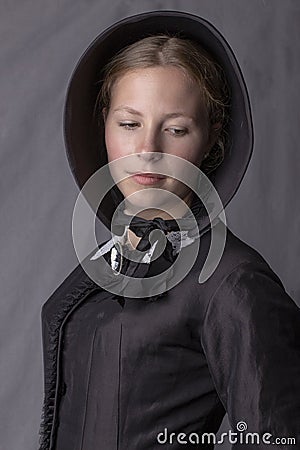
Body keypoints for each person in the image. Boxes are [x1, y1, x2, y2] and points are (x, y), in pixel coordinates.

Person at [38, 11, 300, 450]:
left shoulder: (233, 281)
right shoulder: (112, 259)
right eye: (129, 124)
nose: (147, 150)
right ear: (103, 124)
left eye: (176, 129)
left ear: (211, 137)